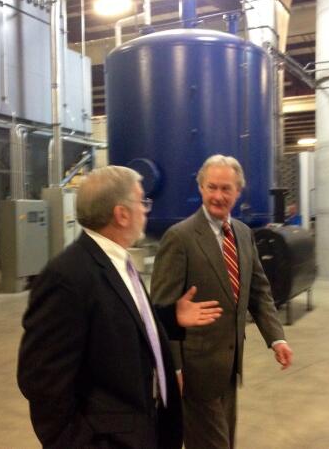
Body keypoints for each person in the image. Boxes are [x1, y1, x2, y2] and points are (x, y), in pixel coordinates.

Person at [17, 166, 223, 449]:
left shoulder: (117, 261)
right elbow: (42, 382)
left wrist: (168, 316)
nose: (146, 209)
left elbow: (114, 323)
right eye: (142, 201)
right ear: (121, 214)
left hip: (146, 428)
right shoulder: (66, 276)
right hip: (113, 439)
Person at [151, 154, 294, 449]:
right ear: (200, 188)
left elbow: (258, 291)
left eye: (226, 188)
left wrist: (276, 338)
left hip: (228, 367)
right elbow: (162, 309)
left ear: (238, 191)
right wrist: (173, 368)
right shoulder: (179, 238)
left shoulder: (243, 233)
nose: (218, 196)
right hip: (194, 371)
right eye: (212, 187)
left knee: (225, 440)